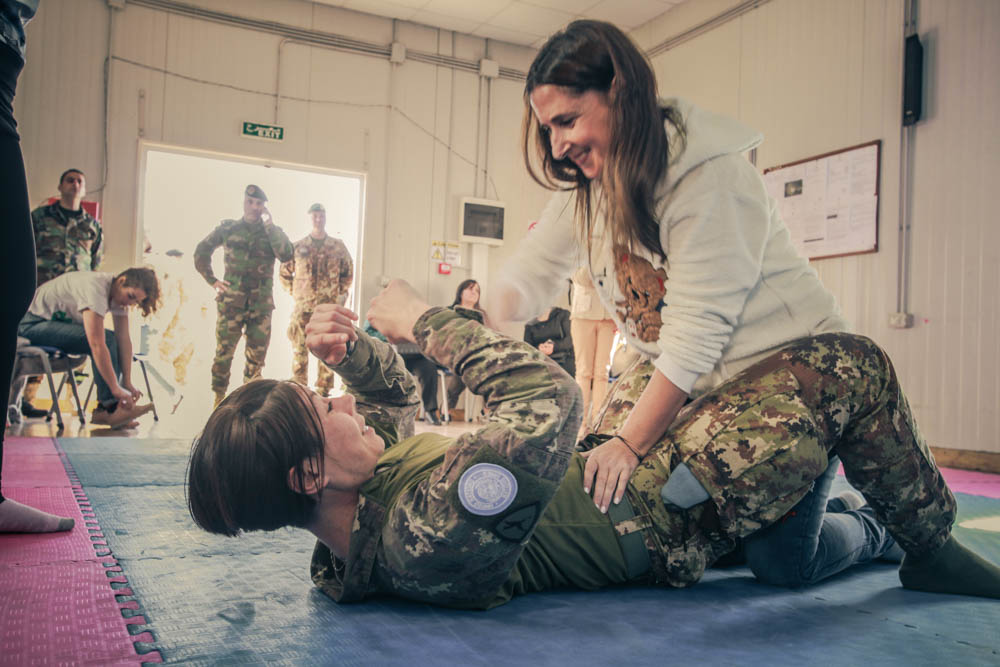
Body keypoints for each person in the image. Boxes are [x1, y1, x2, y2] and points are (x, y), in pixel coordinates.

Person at [186, 279, 1000, 608]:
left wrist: (356, 352)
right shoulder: (421, 537)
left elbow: (394, 404)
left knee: (649, 327)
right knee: (847, 365)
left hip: (619, 462)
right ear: (307, 471)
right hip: (672, 503)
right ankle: (919, 539)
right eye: (320, 403)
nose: (340, 401)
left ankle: (809, 488)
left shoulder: (363, 504)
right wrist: (419, 319)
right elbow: (549, 397)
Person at [488, 19, 936, 588]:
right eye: (548, 127)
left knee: (781, 566)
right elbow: (534, 268)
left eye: (568, 121)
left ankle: (877, 528)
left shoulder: (708, 176)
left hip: (794, 381)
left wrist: (631, 443)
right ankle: (798, 501)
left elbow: (697, 333)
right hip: (706, 386)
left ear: (620, 94)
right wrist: (481, 316)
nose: (557, 145)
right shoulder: (589, 188)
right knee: (693, 525)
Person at [0, 0, 76, 533]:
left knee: (10, 284)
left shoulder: (89, 231)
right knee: (14, 283)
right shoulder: (44, 214)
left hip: (5, 74)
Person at [18, 268, 161, 428]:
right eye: (131, 297)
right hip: (30, 325)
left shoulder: (117, 296)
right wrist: (115, 388)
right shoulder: (95, 288)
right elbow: (96, 344)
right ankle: (110, 408)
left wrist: (126, 382)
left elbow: (124, 340)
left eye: (135, 302)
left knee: (112, 339)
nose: (130, 303)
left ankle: (109, 410)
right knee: (106, 339)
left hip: (50, 326)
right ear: (122, 281)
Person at [194, 185, 293, 407]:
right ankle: (218, 401)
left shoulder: (271, 233)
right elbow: (201, 251)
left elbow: (287, 254)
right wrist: (213, 281)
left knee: (256, 361)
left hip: (261, 306)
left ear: (264, 207)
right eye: (251, 202)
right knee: (223, 355)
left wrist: (270, 226)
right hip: (231, 304)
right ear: (244, 202)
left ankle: (249, 407)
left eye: (259, 204)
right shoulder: (229, 229)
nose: (255, 208)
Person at [18, 167, 105, 419]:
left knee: (80, 346)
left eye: (79, 181)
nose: (75, 184)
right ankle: (25, 400)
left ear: (84, 189)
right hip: (41, 295)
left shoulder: (92, 226)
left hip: (75, 300)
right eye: (70, 180)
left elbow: (95, 264)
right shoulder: (40, 217)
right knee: (35, 347)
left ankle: (71, 400)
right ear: (60, 186)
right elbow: (25, 251)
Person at [279, 202, 354, 397]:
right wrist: (298, 294)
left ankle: (323, 394)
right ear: (310, 218)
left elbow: (347, 274)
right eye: (315, 216)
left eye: (321, 215)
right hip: (303, 310)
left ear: (325, 218)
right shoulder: (298, 247)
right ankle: (300, 395)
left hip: (327, 310)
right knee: (299, 354)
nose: (318, 219)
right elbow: (284, 274)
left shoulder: (337, 247)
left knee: (327, 353)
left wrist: (336, 295)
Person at [570, 266, 616, 431]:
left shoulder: (615, 244)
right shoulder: (581, 243)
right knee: (583, 372)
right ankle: (580, 427)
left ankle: (598, 425)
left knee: (602, 373)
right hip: (583, 315)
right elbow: (579, 277)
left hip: (609, 315)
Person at [444, 279, 490, 416]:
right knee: (463, 369)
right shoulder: (450, 312)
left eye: (477, 291)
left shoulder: (482, 315)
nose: (473, 293)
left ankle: (488, 410)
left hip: (477, 355)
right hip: (454, 354)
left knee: (488, 372)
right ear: (461, 292)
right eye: (470, 289)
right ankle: (447, 410)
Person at [523, 305, 575, 376]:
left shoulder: (563, 315)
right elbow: (527, 347)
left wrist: (554, 346)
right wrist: (539, 348)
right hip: (542, 362)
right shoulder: (530, 324)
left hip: (565, 360)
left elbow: (571, 340)